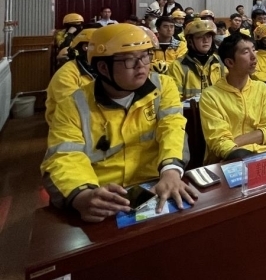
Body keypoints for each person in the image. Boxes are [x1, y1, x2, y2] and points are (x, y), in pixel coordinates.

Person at [41, 25, 195, 222]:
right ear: (103, 67)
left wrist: (171, 172)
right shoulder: (73, 105)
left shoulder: (163, 86)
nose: (141, 65)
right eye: (130, 59)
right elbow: (63, 157)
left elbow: (173, 129)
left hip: (155, 185)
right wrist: (82, 195)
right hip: (103, 196)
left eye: (145, 56)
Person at [199, 32, 266, 163]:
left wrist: (235, 141)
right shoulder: (210, 96)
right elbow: (219, 141)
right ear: (230, 62)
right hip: (227, 159)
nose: (254, 56)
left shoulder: (261, 88)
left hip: (263, 154)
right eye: (246, 52)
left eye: (253, 50)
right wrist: (241, 150)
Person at [46, 28, 97, 126]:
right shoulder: (65, 75)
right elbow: (75, 109)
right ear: (85, 47)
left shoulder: (97, 70)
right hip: (68, 126)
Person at [168, 20, 224, 101]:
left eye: (209, 36)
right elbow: (174, 100)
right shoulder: (177, 67)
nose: (206, 40)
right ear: (190, 41)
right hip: (189, 109)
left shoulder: (219, 61)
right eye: (200, 37)